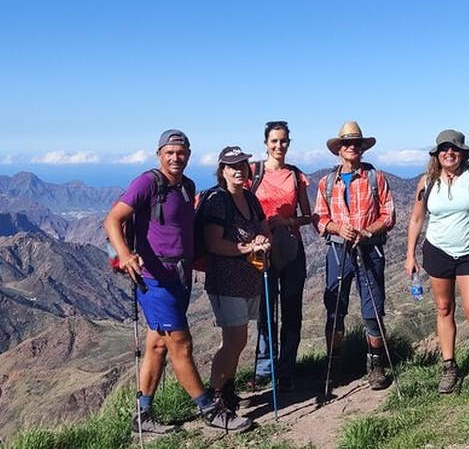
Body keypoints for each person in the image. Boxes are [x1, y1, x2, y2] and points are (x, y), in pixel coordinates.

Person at [104, 130, 251, 433]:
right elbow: (113, 219)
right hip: (153, 280)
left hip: (181, 278)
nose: (175, 157)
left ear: (189, 154)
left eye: (180, 152)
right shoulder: (147, 183)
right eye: (169, 152)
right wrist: (126, 255)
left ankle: (142, 415)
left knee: (157, 346)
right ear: (159, 154)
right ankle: (210, 410)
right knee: (181, 345)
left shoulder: (188, 186)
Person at [405, 129, 469, 394]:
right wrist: (410, 254)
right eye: (444, 149)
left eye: (455, 149)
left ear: (462, 153)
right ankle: (449, 366)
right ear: (436, 154)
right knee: (444, 308)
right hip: (438, 251)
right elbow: (416, 219)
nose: (449, 153)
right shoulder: (426, 183)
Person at [314, 120, 396, 390]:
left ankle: (375, 365)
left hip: (369, 249)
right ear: (339, 149)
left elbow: (388, 215)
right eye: (347, 143)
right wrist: (338, 227)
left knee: (372, 312)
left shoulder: (376, 178)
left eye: (356, 143)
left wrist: (367, 232)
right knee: (335, 311)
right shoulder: (327, 183)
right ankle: (333, 365)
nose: (352, 147)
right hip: (338, 251)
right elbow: (320, 220)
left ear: (362, 148)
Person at [200, 145, 271, 417]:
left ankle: (226, 389)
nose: (239, 170)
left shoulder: (250, 199)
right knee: (234, 340)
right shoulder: (218, 200)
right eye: (233, 166)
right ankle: (214, 397)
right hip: (226, 281)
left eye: (243, 165)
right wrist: (247, 248)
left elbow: (263, 229)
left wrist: (264, 241)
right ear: (222, 171)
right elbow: (213, 243)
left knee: (236, 341)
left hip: (249, 279)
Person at [249, 121, 317, 392]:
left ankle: (286, 370)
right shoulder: (253, 172)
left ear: (289, 143)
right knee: (265, 310)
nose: (279, 146)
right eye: (274, 141)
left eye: (284, 141)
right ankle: (265, 368)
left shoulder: (296, 176)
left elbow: (308, 216)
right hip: (260, 250)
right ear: (266, 143)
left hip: (291, 248)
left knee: (291, 310)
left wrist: (287, 221)